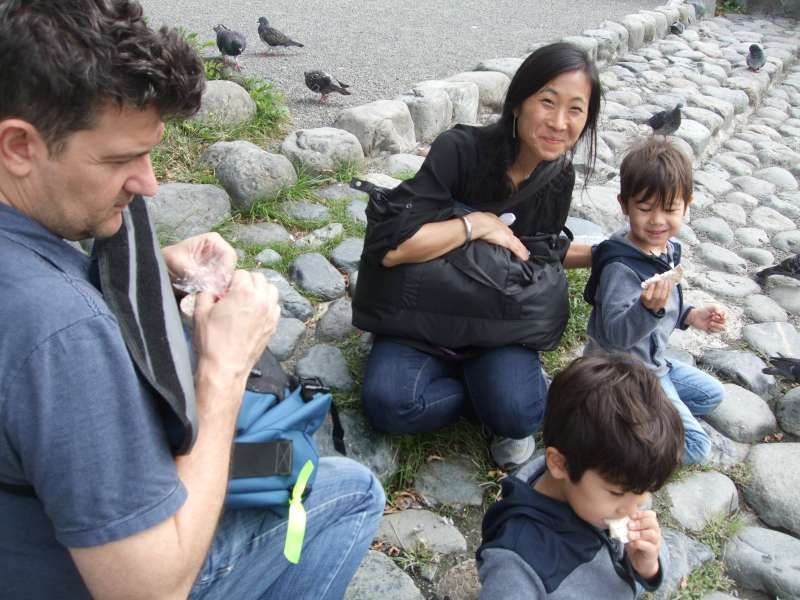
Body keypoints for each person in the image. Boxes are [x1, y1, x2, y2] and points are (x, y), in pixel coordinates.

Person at [0, 2, 384, 599]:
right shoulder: (60, 332)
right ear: (19, 146)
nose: (150, 183)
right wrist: (224, 368)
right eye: (121, 159)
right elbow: (150, 590)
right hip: (107, 571)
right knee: (351, 488)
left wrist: (150, 269)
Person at [357, 42, 602, 468]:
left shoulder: (557, 178)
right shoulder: (460, 150)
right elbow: (395, 249)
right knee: (388, 405)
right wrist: (475, 225)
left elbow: (536, 255)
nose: (559, 122)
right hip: (424, 318)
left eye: (576, 110)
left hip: (494, 323)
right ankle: (477, 389)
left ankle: (486, 383)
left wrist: (608, 255)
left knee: (520, 413)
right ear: (517, 102)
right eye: (547, 102)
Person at [477, 354, 683, 599]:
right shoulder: (517, 565)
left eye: (643, 495)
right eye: (617, 493)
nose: (631, 510)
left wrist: (647, 567)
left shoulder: (608, 490)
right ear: (559, 464)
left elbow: (642, 563)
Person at [583, 138, 726, 465]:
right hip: (620, 372)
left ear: (687, 205)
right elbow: (617, 335)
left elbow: (665, 306)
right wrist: (648, 310)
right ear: (624, 204)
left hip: (654, 362)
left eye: (671, 209)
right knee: (695, 447)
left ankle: (649, 416)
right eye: (645, 209)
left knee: (711, 394)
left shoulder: (668, 247)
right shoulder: (621, 266)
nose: (658, 221)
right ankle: (612, 430)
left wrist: (691, 315)